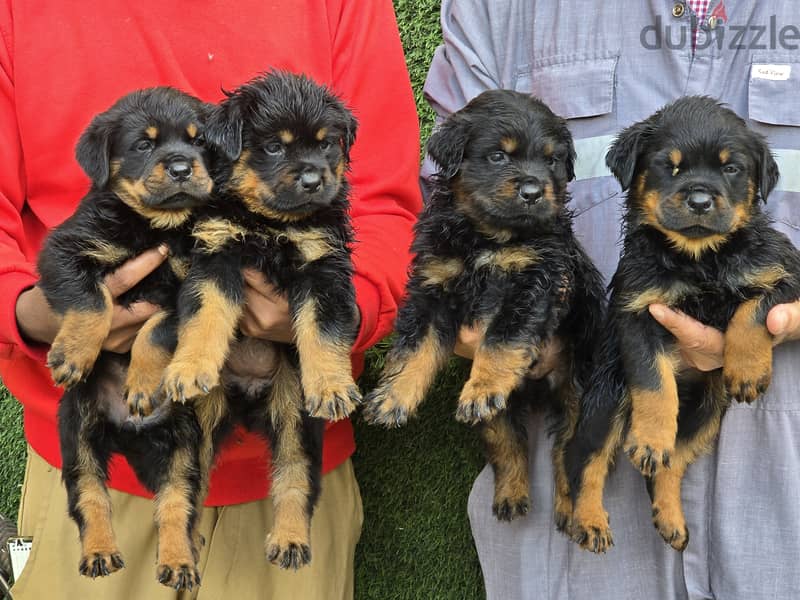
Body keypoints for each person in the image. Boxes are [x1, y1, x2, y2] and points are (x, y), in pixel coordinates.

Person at [0, 1, 422, 598]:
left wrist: (340, 309)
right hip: (108, 450)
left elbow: (385, 204)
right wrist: (32, 312)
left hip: (289, 458)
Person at [424, 1, 800, 598]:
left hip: (780, 491)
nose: (700, 198)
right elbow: (440, 222)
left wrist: (774, 319)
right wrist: (514, 329)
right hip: (575, 521)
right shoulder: (499, 10)